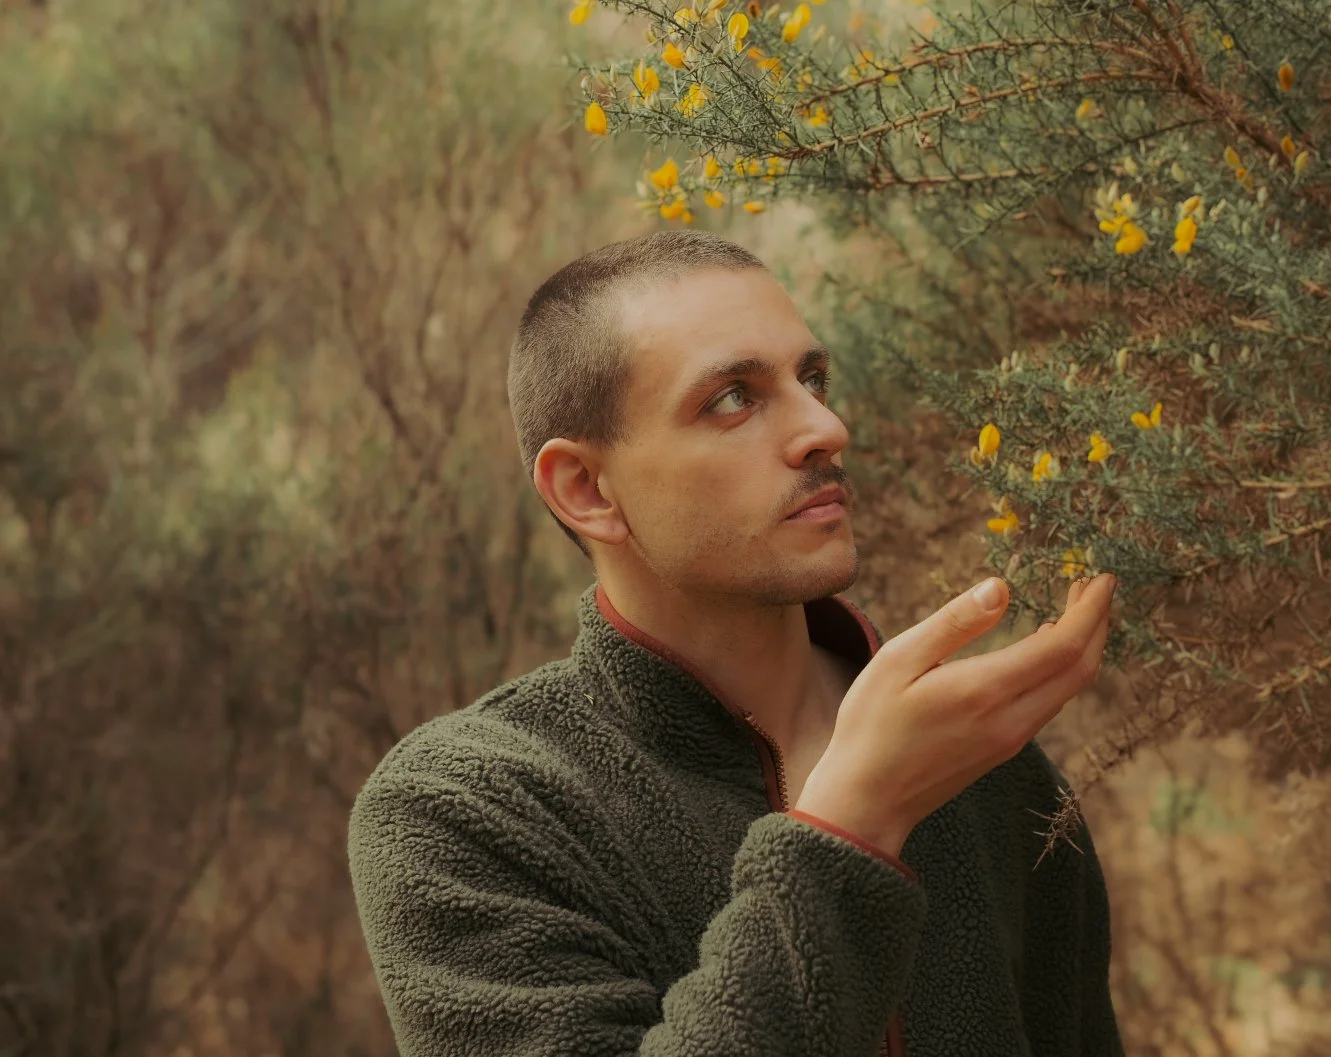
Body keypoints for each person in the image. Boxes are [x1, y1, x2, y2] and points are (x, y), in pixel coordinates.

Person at [347, 229, 1124, 1057]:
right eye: (733, 399)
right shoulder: (467, 810)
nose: (825, 427)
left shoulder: (985, 765)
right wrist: (854, 827)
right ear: (586, 488)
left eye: (812, 378)